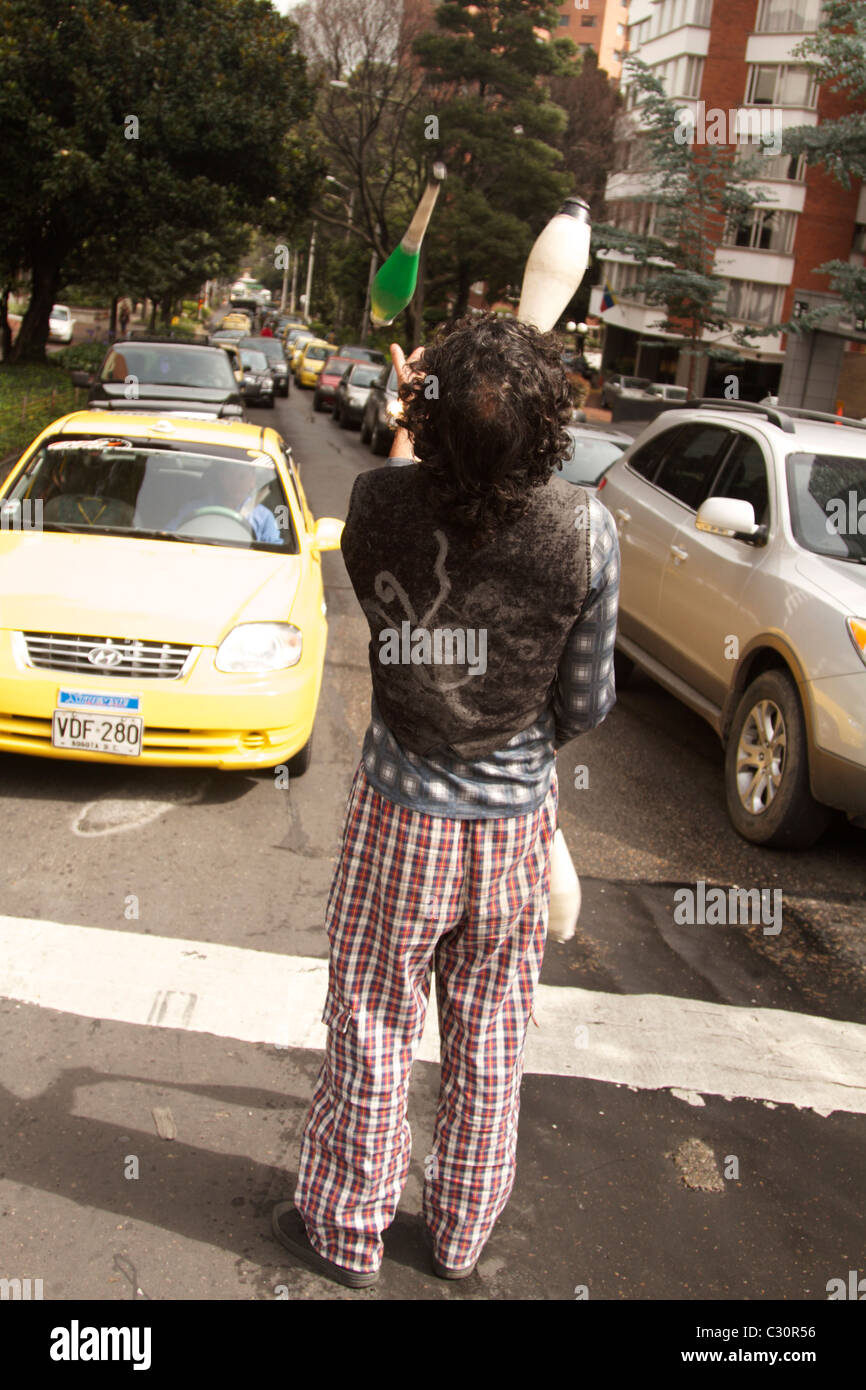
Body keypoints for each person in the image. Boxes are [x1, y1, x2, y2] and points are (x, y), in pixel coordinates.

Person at [271, 312, 620, 1289]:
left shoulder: (375, 502)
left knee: (372, 1024)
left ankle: (343, 1234)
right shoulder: (584, 532)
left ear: (424, 413)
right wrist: (520, 741)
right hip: (511, 831)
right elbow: (586, 701)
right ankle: (459, 1238)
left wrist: (411, 402)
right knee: (488, 1041)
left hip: (397, 816)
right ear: (554, 425)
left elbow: (396, 595)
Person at [168, 460, 280, 542]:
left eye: (242, 477)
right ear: (222, 478)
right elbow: (169, 535)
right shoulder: (194, 508)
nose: (236, 483)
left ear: (252, 481)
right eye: (230, 475)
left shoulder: (263, 516)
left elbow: (277, 552)